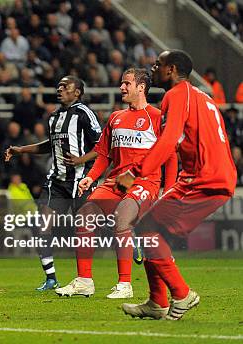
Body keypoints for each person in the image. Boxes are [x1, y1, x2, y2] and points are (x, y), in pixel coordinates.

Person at [116, 50, 236, 320]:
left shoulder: (176, 94)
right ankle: (157, 302)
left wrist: (136, 172)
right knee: (151, 231)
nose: (154, 68)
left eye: (158, 65)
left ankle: (181, 294)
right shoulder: (202, 97)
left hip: (203, 178)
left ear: (171, 70)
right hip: (215, 174)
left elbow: (169, 140)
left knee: (146, 229)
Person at [54, 68, 178, 298]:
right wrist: (91, 176)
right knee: (85, 216)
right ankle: (84, 280)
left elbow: (170, 156)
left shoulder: (157, 117)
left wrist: (168, 190)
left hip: (145, 181)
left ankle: (125, 285)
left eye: (127, 83)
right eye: (121, 83)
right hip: (117, 182)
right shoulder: (116, 118)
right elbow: (104, 154)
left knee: (123, 219)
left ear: (141, 87)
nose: (122, 87)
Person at [5, 76, 102, 292]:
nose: (59, 89)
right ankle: (51, 278)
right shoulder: (54, 117)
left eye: (65, 87)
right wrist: (21, 149)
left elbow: (102, 146)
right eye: (58, 86)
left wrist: (81, 160)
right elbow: (49, 145)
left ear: (77, 92)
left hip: (81, 181)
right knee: (42, 226)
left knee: (86, 229)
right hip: (56, 182)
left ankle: (124, 246)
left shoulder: (84, 114)